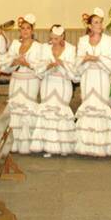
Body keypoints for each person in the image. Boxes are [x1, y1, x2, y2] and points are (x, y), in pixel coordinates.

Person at [74, 8, 111, 157]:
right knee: (88, 106)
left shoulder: (108, 40)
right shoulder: (83, 40)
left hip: (102, 77)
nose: (99, 25)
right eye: (96, 22)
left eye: (100, 22)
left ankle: (102, 145)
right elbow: (78, 60)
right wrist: (85, 59)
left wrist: (98, 58)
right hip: (88, 77)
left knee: (100, 106)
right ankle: (86, 144)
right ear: (90, 26)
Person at [30, 24, 77, 156]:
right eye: (52, 38)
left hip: (63, 84)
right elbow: (38, 69)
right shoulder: (45, 48)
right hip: (48, 82)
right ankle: (47, 145)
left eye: (57, 38)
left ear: (63, 36)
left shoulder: (71, 49)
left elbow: (74, 72)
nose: (54, 41)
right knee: (47, 112)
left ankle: (63, 145)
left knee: (61, 112)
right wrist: (49, 65)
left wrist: (62, 64)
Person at [1, 15, 45, 154]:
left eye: (28, 28)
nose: (25, 31)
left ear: (32, 30)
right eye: (23, 28)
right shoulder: (15, 44)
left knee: (27, 109)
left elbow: (41, 67)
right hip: (16, 80)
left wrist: (27, 63)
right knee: (15, 109)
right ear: (20, 30)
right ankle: (14, 143)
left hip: (31, 81)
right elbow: (6, 65)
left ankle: (29, 142)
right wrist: (14, 62)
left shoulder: (39, 47)